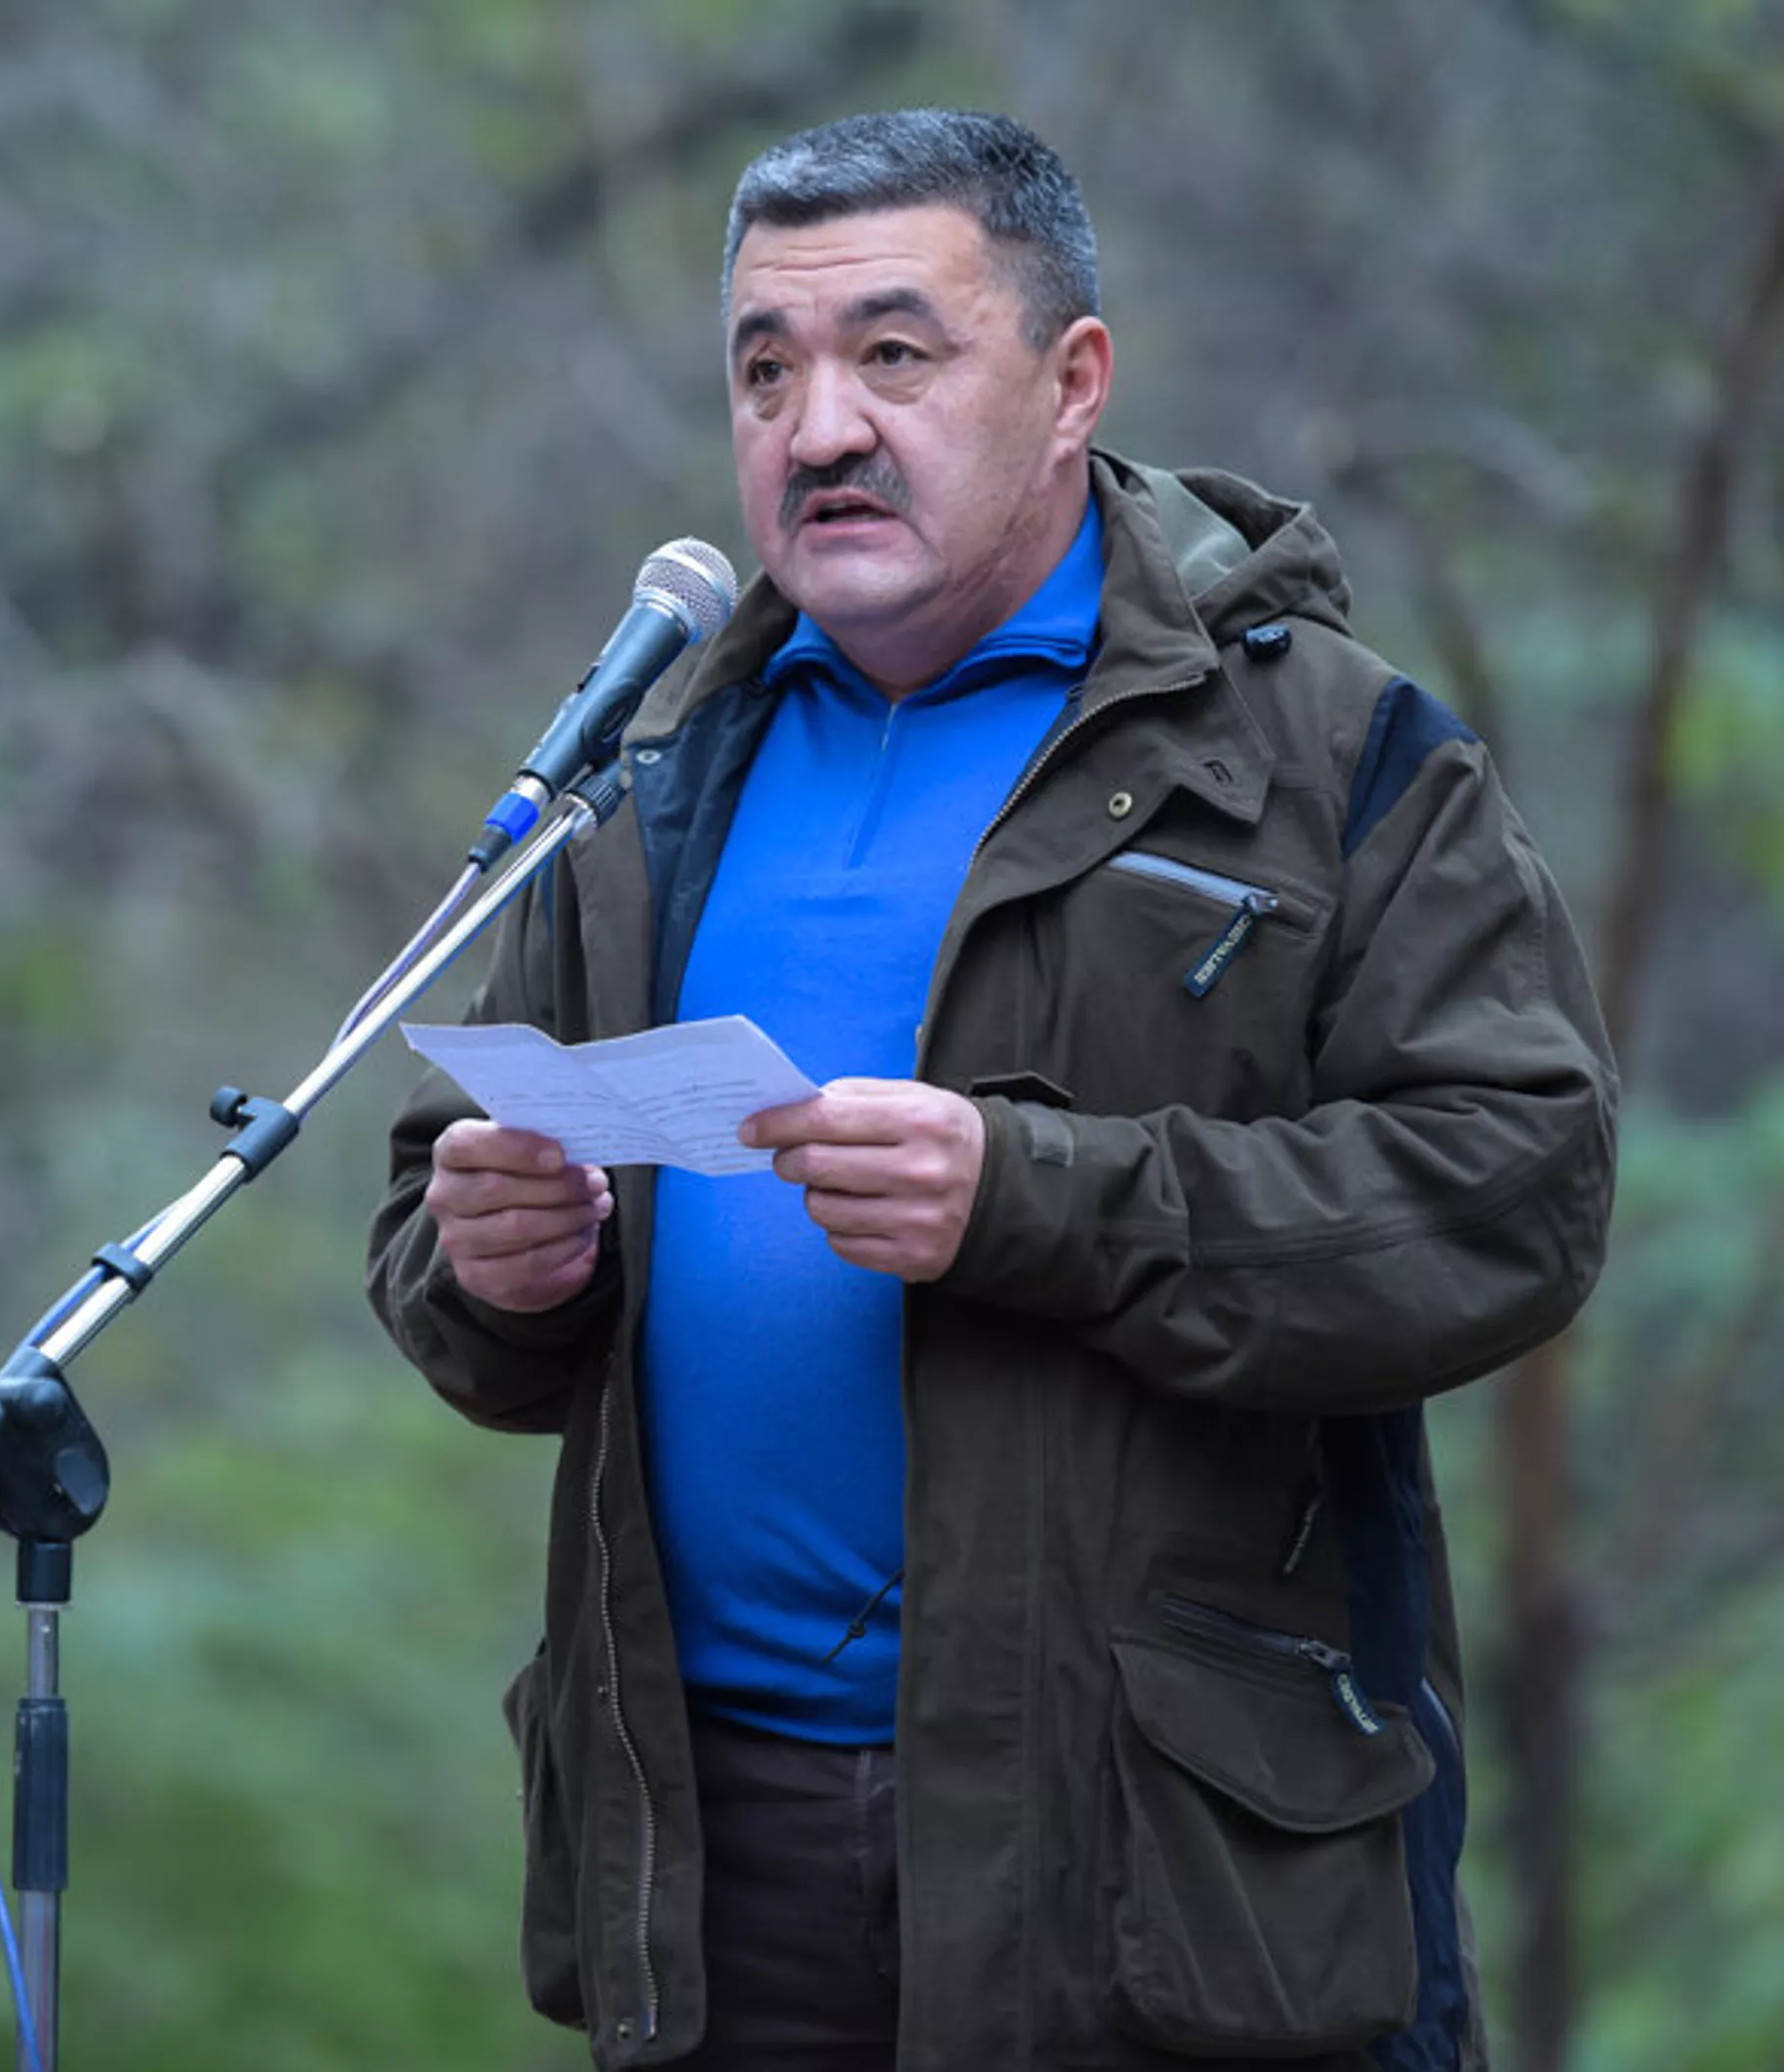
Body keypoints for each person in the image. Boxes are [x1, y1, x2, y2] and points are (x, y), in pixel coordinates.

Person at [368, 108, 1616, 2072]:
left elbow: (1514, 1190)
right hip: (711, 1849)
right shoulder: (648, 782)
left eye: (894, 352)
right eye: (765, 371)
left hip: (1151, 1854)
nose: (821, 427)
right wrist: (501, 1265)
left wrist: (1037, 1198)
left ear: (1072, 380)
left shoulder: (1319, 753)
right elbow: (455, 1238)